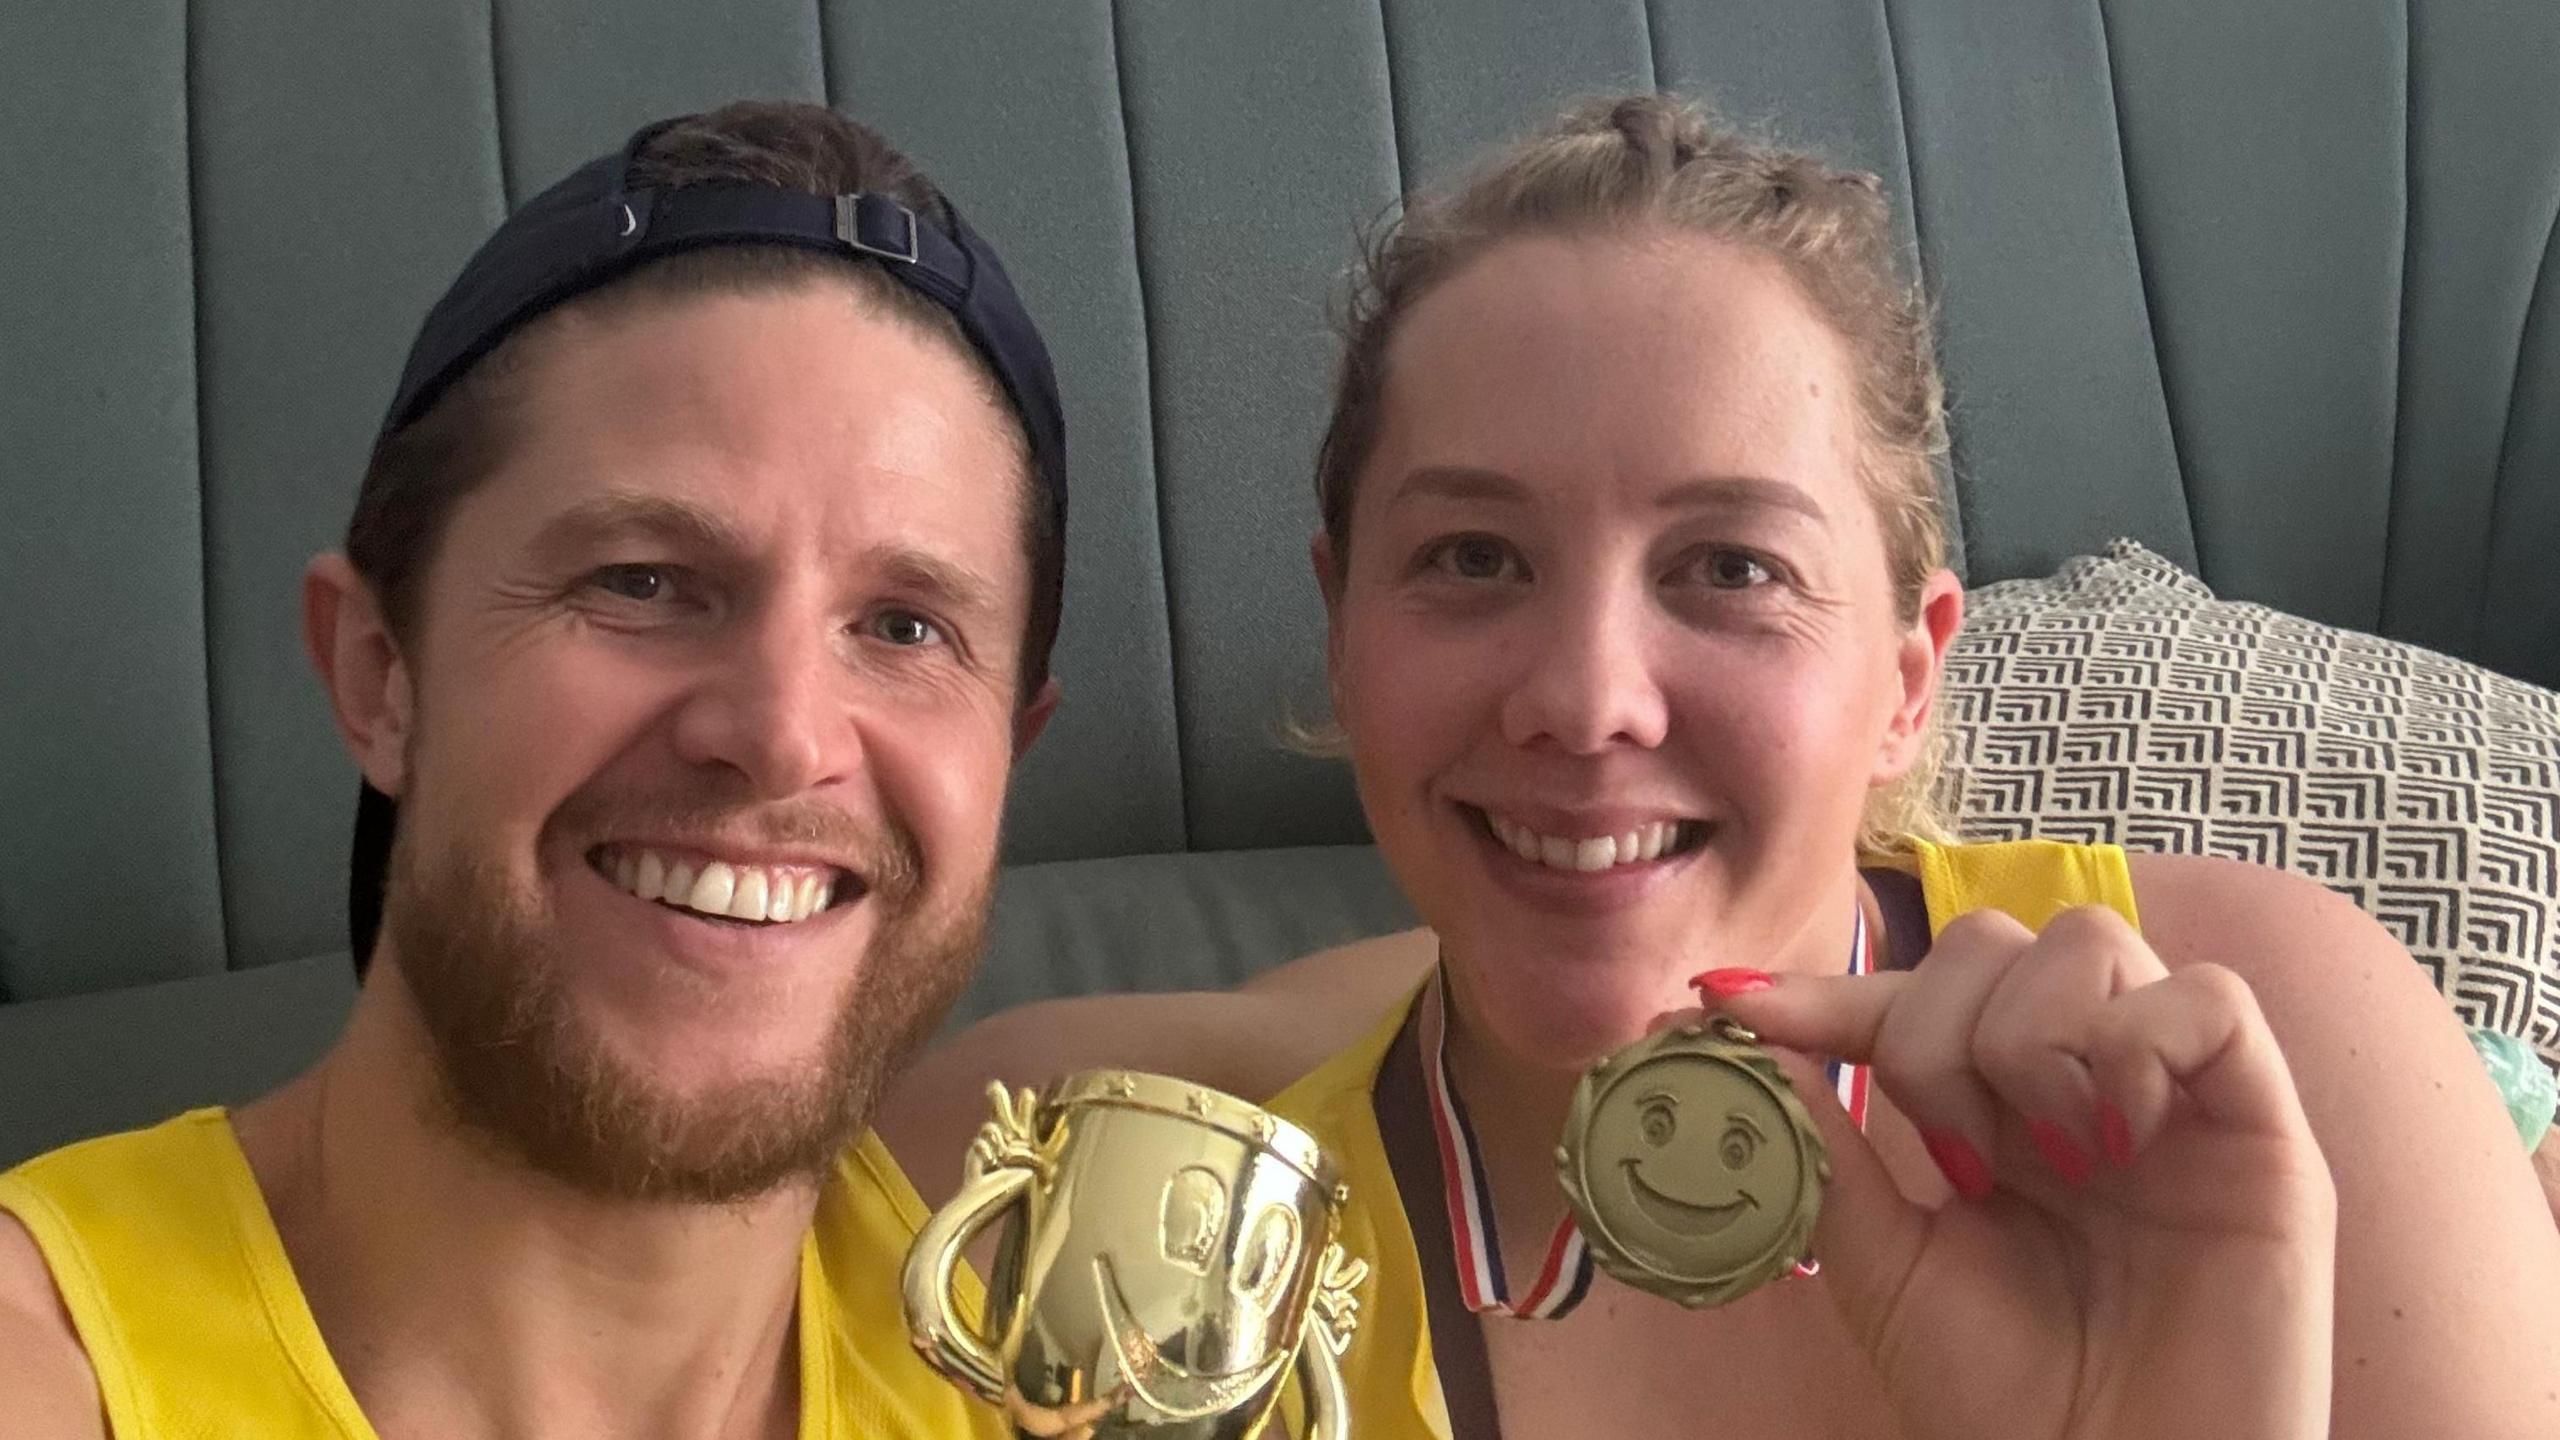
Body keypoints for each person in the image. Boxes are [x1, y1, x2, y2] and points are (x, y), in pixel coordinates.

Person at [882, 95, 2560, 1439]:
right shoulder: (1073, 1173)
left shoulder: (2270, 1066)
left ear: (1909, 676)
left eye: (1732, 568)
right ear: (1344, 630)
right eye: (1472, 558)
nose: (1586, 698)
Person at [0, 102, 1059, 1439]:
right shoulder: (50, 1372)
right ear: (382, 674)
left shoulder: (1050, 1288)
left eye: (905, 627)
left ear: (1010, 756)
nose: (784, 734)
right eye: (642, 582)